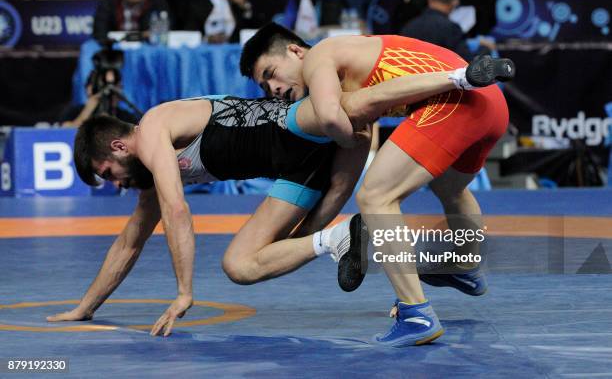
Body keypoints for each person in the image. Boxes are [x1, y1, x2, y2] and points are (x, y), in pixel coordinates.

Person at [45, 61, 496, 337]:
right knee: (242, 265)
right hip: (297, 171)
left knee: (355, 105)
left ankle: (454, 78)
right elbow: (129, 242)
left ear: (119, 147)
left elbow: (178, 211)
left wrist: (184, 293)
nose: (118, 184)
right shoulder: (147, 173)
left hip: (290, 126)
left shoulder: (154, 127)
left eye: (109, 174)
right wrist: (85, 309)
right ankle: (349, 241)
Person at [240, 23, 514, 345]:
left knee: (375, 197)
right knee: (450, 188)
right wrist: (305, 238)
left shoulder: (320, 57)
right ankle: (464, 264)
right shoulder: (352, 72)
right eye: (264, 85)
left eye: (271, 73)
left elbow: (330, 118)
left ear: (295, 50)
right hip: (490, 102)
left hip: (456, 99)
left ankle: (416, 313)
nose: (271, 88)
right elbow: (342, 185)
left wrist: (344, 133)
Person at [400, 0, 495, 60]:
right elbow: (466, 65)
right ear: (455, 1)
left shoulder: (408, 28)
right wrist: (485, 49)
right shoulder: (451, 30)